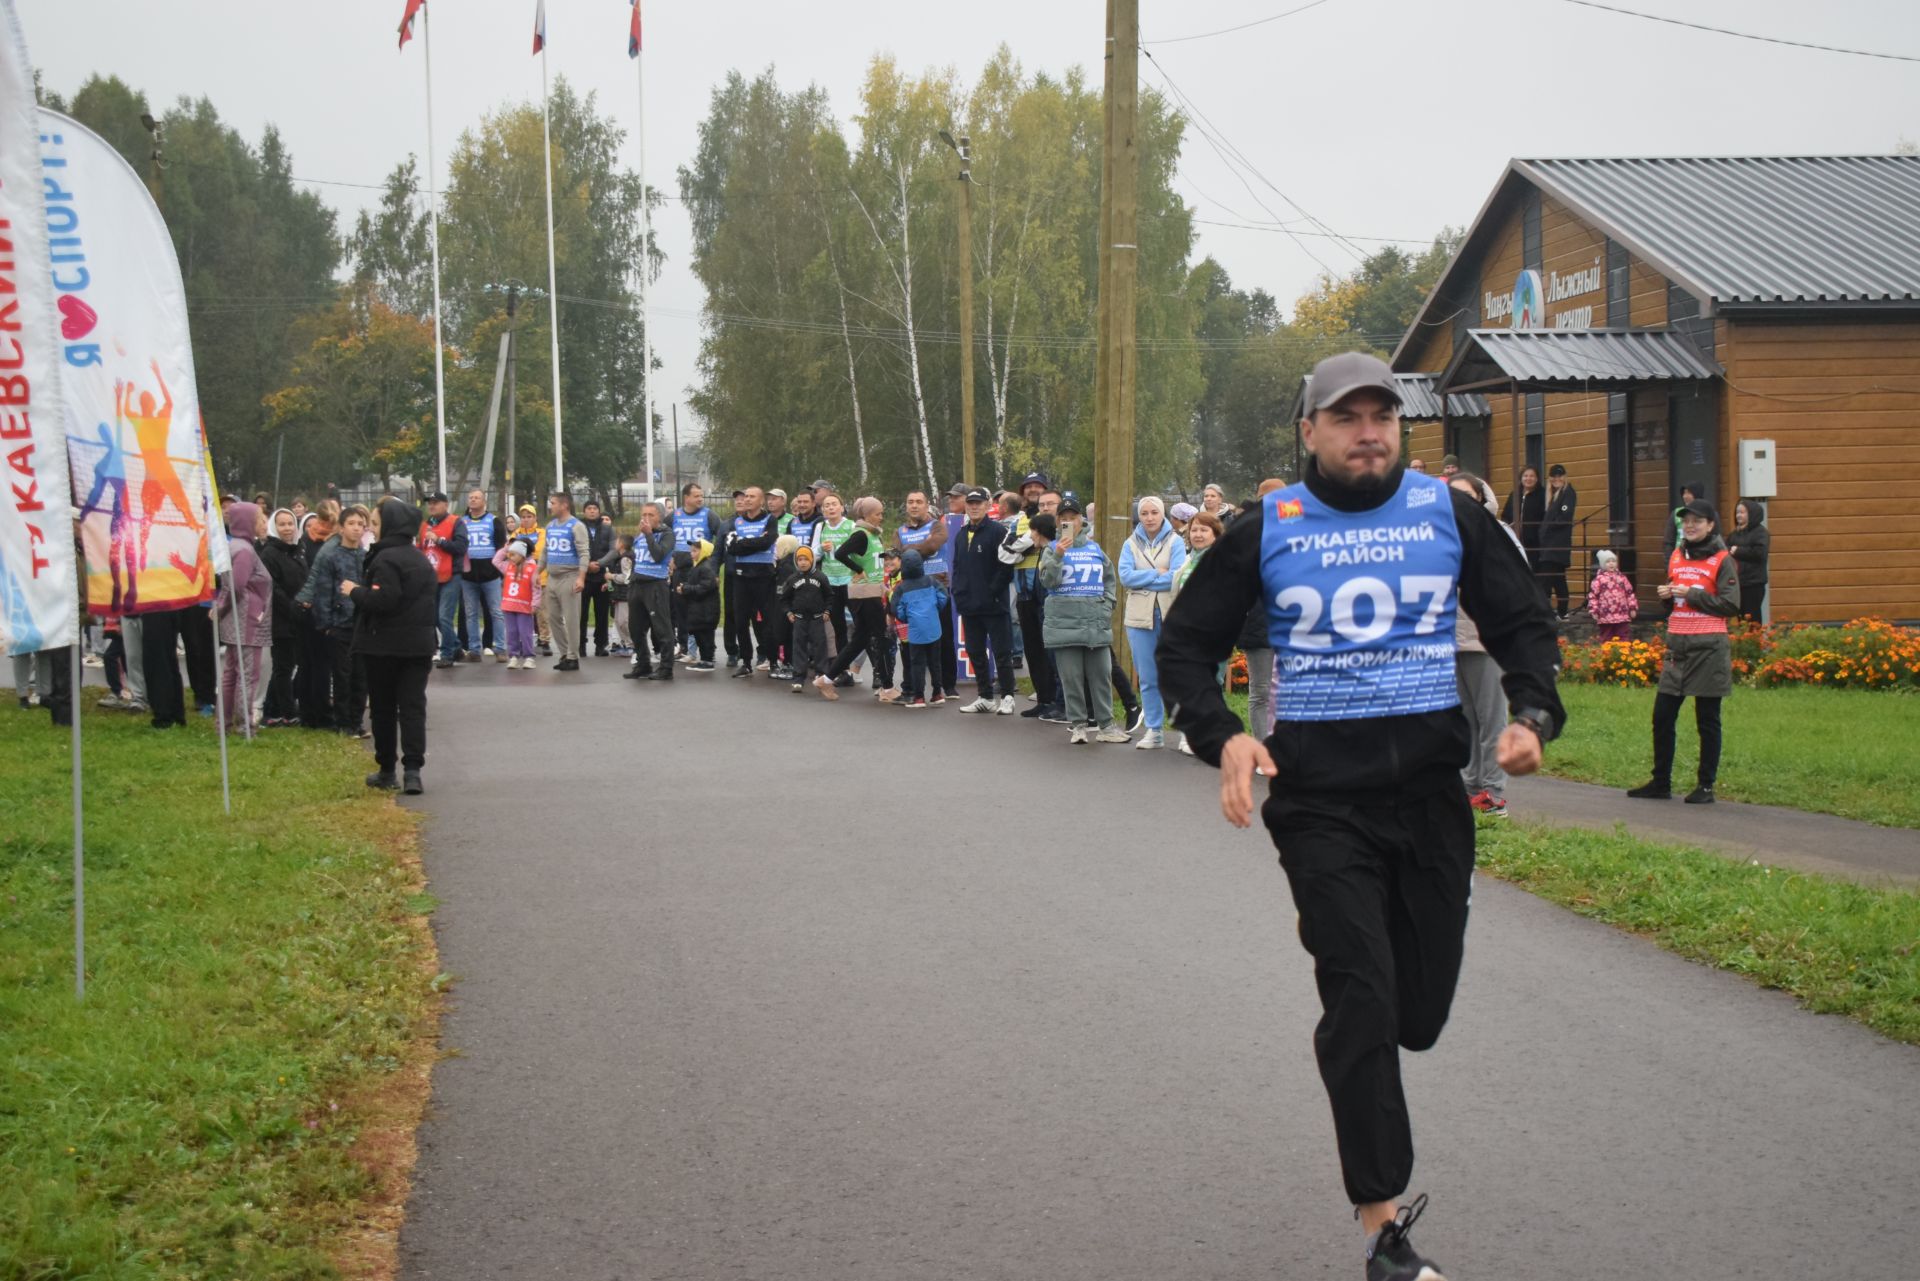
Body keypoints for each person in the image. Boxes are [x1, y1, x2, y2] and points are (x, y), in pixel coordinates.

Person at [1157, 350, 1563, 1281]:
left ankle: (1384, 1173)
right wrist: (1221, 733)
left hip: (1430, 799)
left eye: (1382, 414)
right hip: (1321, 805)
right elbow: (1185, 645)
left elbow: (1522, 620)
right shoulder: (1270, 527)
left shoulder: (1447, 512)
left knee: (1415, 1014)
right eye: (1346, 417)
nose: (1368, 431)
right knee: (1362, 997)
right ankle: (1385, 1229)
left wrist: (1534, 712)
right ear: (1309, 430)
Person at [1629, 498, 1739, 805]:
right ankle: (1660, 782)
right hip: (1677, 643)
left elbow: (1730, 604)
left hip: (1709, 646)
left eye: (1697, 521)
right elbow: (1674, 596)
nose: (1690, 526)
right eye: (1686, 521)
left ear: (1710, 525)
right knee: (1662, 715)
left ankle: (1705, 786)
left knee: (1707, 718)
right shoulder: (1677, 555)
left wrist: (1690, 594)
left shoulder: (1721, 559)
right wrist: (1666, 595)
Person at [341, 498, 437, 795]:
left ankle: (387, 770)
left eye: (376, 523)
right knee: (412, 707)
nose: (370, 527)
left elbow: (385, 600)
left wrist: (355, 591)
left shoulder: (386, 559)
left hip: (384, 645)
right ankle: (412, 771)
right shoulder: (420, 558)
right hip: (419, 645)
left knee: (383, 709)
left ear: (390, 526)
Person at [1448, 473, 1524, 816]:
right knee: (1465, 721)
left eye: (1467, 495)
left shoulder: (1498, 534)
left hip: (1486, 641)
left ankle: (1494, 794)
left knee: (1492, 720)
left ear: (1481, 498)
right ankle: (1470, 786)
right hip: (1451, 641)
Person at [1038, 501, 1130, 745]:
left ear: (1082, 521)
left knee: (1101, 674)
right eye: (1064, 517)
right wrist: (1059, 554)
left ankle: (1107, 726)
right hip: (1064, 623)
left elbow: (1110, 578)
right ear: (1058, 522)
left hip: (1094, 621)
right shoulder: (1050, 549)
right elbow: (1047, 581)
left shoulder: (1095, 549)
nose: (1069, 521)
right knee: (1071, 677)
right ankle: (1078, 725)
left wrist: (1108, 603)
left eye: (1074, 517)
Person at [1118, 495, 1186, 750]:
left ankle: (1185, 732)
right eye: (1144, 513)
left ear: (1162, 514)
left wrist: (1144, 578)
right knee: (1147, 677)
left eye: (1154, 513)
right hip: (1139, 617)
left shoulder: (1176, 541)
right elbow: (1125, 577)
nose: (1149, 518)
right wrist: (1156, 574)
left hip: (1170, 615)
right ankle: (1154, 730)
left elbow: (1175, 578)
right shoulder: (1130, 543)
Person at [295, 503, 369, 736]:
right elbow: (323, 591)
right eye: (351, 524)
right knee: (342, 676)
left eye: (360, 524)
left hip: (361, 626)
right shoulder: (331, 555)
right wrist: (326, 624)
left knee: (361, 677)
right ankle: (343, 722)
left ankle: (357, 721)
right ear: (341, 527)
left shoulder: (366, 556)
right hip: (339, 625)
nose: (356, 528)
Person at [817, 496, 895, 698]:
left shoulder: (873, 534)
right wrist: (858, 570)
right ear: (868, 515)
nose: (881, 517)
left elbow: (875, 563)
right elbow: (841, 553)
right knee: (881, 637)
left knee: (860, 640)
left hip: (872, 591)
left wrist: (883, 585)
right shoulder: (861, 534)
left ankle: (825, 680)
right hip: (864, 595)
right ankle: (886, 687)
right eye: (878, 514)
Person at [948, 487, 1016, 715]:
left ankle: (1007, 696)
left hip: (994, 605)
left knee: (1002, 652)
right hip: (969, 604)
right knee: (975, 651)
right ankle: (985, 696)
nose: (974, 507)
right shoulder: (960, 533)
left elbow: (1007, 566)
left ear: (988, 505)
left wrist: (993, 591)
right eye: (971, 503)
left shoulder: (997, 531)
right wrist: (957, 591)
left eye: (978, 503)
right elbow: (957, 566)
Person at [214, 502, 273, 733]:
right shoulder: (245, 551)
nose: (263, 523)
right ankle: (244, 725)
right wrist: (222, 607)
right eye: (259, 519)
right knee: (247, 675)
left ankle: (224, 723)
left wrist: (221, 608)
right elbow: (237, 585)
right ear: (247, 522)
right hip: (248, 622)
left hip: (238, 620)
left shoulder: (236, 546)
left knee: (231, 673)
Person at [1169, 510, 1224, 755]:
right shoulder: (1189, 559)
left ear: (1215, 534)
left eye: (1204, 530)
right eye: (1194, 530)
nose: (1198, 534)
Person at [259, 507, 308, 727]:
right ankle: (287, 712)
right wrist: (292, 607)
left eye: (290, 524)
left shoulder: (297, 549)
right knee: (283, 667)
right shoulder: (269, 553)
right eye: (282, 524)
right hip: (281, 618)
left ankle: (273, 708)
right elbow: (272, 588)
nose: (287, 528)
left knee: (292, 664)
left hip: (299, 616)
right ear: (274, 527)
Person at [623, 502, 678, 681]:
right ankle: (643, 663)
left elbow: (658, 555)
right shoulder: (640, 535)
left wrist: (648, 535)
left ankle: (666, 667)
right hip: (638, 584)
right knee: (635, 628)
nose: (645, 519)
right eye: (643, 515)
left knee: (662, 628)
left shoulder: (667, 534)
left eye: (650, 515)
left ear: (659, 517)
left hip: (655, 585)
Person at [888, 548, 948, 708]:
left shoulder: (901, 587)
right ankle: (937, 694)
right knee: (935, 662)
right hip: (934, 628)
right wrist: (935, 610)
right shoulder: (931, 581)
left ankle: (919, 697)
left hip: (915, 631)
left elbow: (895, 608)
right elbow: (943, 596)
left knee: (917, 664)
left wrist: (906, 617)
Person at [671, 483, 725, 656]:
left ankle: (705, 650)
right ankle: (684, 647)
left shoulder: (709, 515)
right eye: (696, 496)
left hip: (700, 570)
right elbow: (662, 536)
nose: (700, 498)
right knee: (680, 610)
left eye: (701, 495)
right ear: (686, 498)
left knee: (699, 610)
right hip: (679, 570)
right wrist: (668, 560)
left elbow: (722, 538)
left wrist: (713, 566)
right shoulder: (674, 515)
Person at [539, 492, 590, 671]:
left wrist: (581, 578)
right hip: (552, 578)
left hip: (569, 577)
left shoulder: (576, 526)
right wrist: (538, 571)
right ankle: (563, 653)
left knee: (571, 619)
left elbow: (584, 553)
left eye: (553, 503)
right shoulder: (551, 526)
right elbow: (545, 551)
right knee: (553, 618)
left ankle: (572, 656)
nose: (550, 506)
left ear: (564, 505)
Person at [778, 543, 836, 698]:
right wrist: (789, 613)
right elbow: (784, 599)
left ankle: (820, 675)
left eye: (806, 559)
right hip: (799, 620)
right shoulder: (792, 579)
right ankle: (798, 678)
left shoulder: (820, 577)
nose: (803, 562)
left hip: (817, 619)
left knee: (820, 647)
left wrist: (827, 611)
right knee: (799, 648)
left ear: (812, 560)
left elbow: (830, 596)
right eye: (800, 559)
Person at [417, 492, 467, 668]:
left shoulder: (456, 522)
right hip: (432, 576)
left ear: (446, 505)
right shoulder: (425, 526)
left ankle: (447, 654)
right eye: (429, 503)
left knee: (445, 616)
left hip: (451, 575)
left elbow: (461, 547)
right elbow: (420, 550)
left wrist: (439, 541)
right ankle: (456, 647)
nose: (431, 506)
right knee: (435, 617)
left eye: (435, 503)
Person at [458, 489, 508, 663]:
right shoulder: (462, 522)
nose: (473, 500)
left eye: (476, 498)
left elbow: (502, 547)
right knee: (470, 613)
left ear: (484, 501)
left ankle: (500, 648)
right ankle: (474, 649)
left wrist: (499, 570)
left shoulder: (493, 521)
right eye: (470, 497)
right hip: (468, 575)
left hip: (490, 574)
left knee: (496, 612)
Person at [811, 490, 859, 668]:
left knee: (859, 624)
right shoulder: (820, 527)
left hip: (850, 580)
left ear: (841, 507)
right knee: (838, 627)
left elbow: (859, 553)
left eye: (833, 504)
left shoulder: (852, 526)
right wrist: (821, 549)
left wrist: (842, 548)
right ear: (822, 510)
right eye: (826, 506)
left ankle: (876, 672)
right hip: (830, 582)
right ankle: (843, 669)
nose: (830, 508)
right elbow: (812, 556)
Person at [1536, 464, 1577, 619]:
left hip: (1557, 544)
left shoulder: (1568, 493)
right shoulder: (1553, 496)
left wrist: (1547, 527)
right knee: (1559, 578)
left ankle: (1543, 611)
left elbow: (1565, 517)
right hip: (1549, 544)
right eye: (1553, 476)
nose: (1557, 479)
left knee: (1545, 579)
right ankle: (1562, 611)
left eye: (1560, 476)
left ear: (1564, 477)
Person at [493, 539, 541, 669]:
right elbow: (496, 561)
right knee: (511, 633)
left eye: (513, 554)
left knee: (525, 633)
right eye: (509, 554)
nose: (510, 557)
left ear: (522, 555)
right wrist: (506, 549)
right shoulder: (508, 566)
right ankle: (513, 656)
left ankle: (529, 657)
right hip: (509, 606)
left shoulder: (532, 569)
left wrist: (535, 604)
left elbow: (536, 588)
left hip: (524, 607)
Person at [576, 499, 615, 658]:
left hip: (601, 577)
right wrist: (586, 566)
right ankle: (580, 645)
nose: (592, 511)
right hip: (583, 577)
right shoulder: (577, 527)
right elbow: (574, 550)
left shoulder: (608, 529)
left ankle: (601, 645)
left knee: (602, 613)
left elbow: (614, 551)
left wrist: (599, 564)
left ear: (599, 511)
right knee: (581, 614)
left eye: (595, 508)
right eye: (589, 508)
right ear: (584, 511)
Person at [674, 541, 721, 670]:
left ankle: (708, 661)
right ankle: (705, 659)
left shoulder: (706, 567)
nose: (691, 554)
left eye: (695, 551)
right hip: (699, 609)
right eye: (691, 551)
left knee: (705, 636)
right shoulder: (698, 566)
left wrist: (686, 589)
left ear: (704, 551)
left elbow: (705, 587)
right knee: (700, 635)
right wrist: (685, 587)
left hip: (706, 610)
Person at [1725, 499, 1769, 623]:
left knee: (1752, 618)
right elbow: (1725, 549)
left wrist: (1738, 551)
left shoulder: (1761, 533)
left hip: (1753, 583)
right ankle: (1744, 641)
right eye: (1737, 512)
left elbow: (1760, 553)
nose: (1738, 515)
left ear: (1751, 514)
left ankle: (1755, 642)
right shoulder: (1735, 534)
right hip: (1738, 583)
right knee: (1741, 619)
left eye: (1742, 512)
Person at [1586, 549, 1637, 643]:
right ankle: (1608, 655)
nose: (1611, 564)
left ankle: (1623, 655)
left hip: (1622, 614)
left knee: (1623, 636)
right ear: (1602, 564)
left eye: (1613, 561)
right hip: (1605, 615)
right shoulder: (1599, 580)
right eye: (1608, 562)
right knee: (1606, 637)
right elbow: (1593, 596)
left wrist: (1632, 607)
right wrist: (1594, 610)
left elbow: (1629, 593)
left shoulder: (1622, 578)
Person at [1502, 465, 1544, 565]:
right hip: (1515, 542)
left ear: (1537, 478)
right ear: (1521, 478)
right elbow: (1505, 515)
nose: (1528, 478)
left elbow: (1545, 517)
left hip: (1535, 543)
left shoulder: (1543, 495)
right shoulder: (1515, 494)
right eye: (1525, 476)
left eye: (1532, 476)